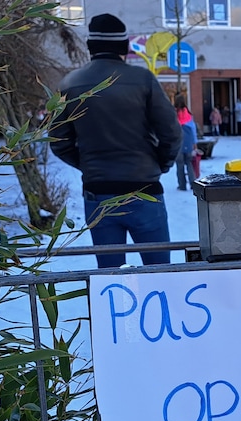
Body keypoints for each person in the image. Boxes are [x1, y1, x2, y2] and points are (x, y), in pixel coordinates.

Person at [50, 13, 180, 269]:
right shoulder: (143, 80)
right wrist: (161, 163)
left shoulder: (70, 84)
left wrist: (89, 165)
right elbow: (172, 133)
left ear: (90, 46)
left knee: (109, 279)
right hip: (144, 190)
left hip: (99, 193)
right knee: (161, 272)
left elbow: (58, 141)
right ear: (125, 46)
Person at [174, 96, 198, 191]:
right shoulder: (189, 114)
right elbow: (193, 129)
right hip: (188, 142)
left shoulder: (174, 114)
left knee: (179, 164)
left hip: (178, 142)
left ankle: (182, 185)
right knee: (189, 162)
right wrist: (194, 143)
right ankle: (193, 183)